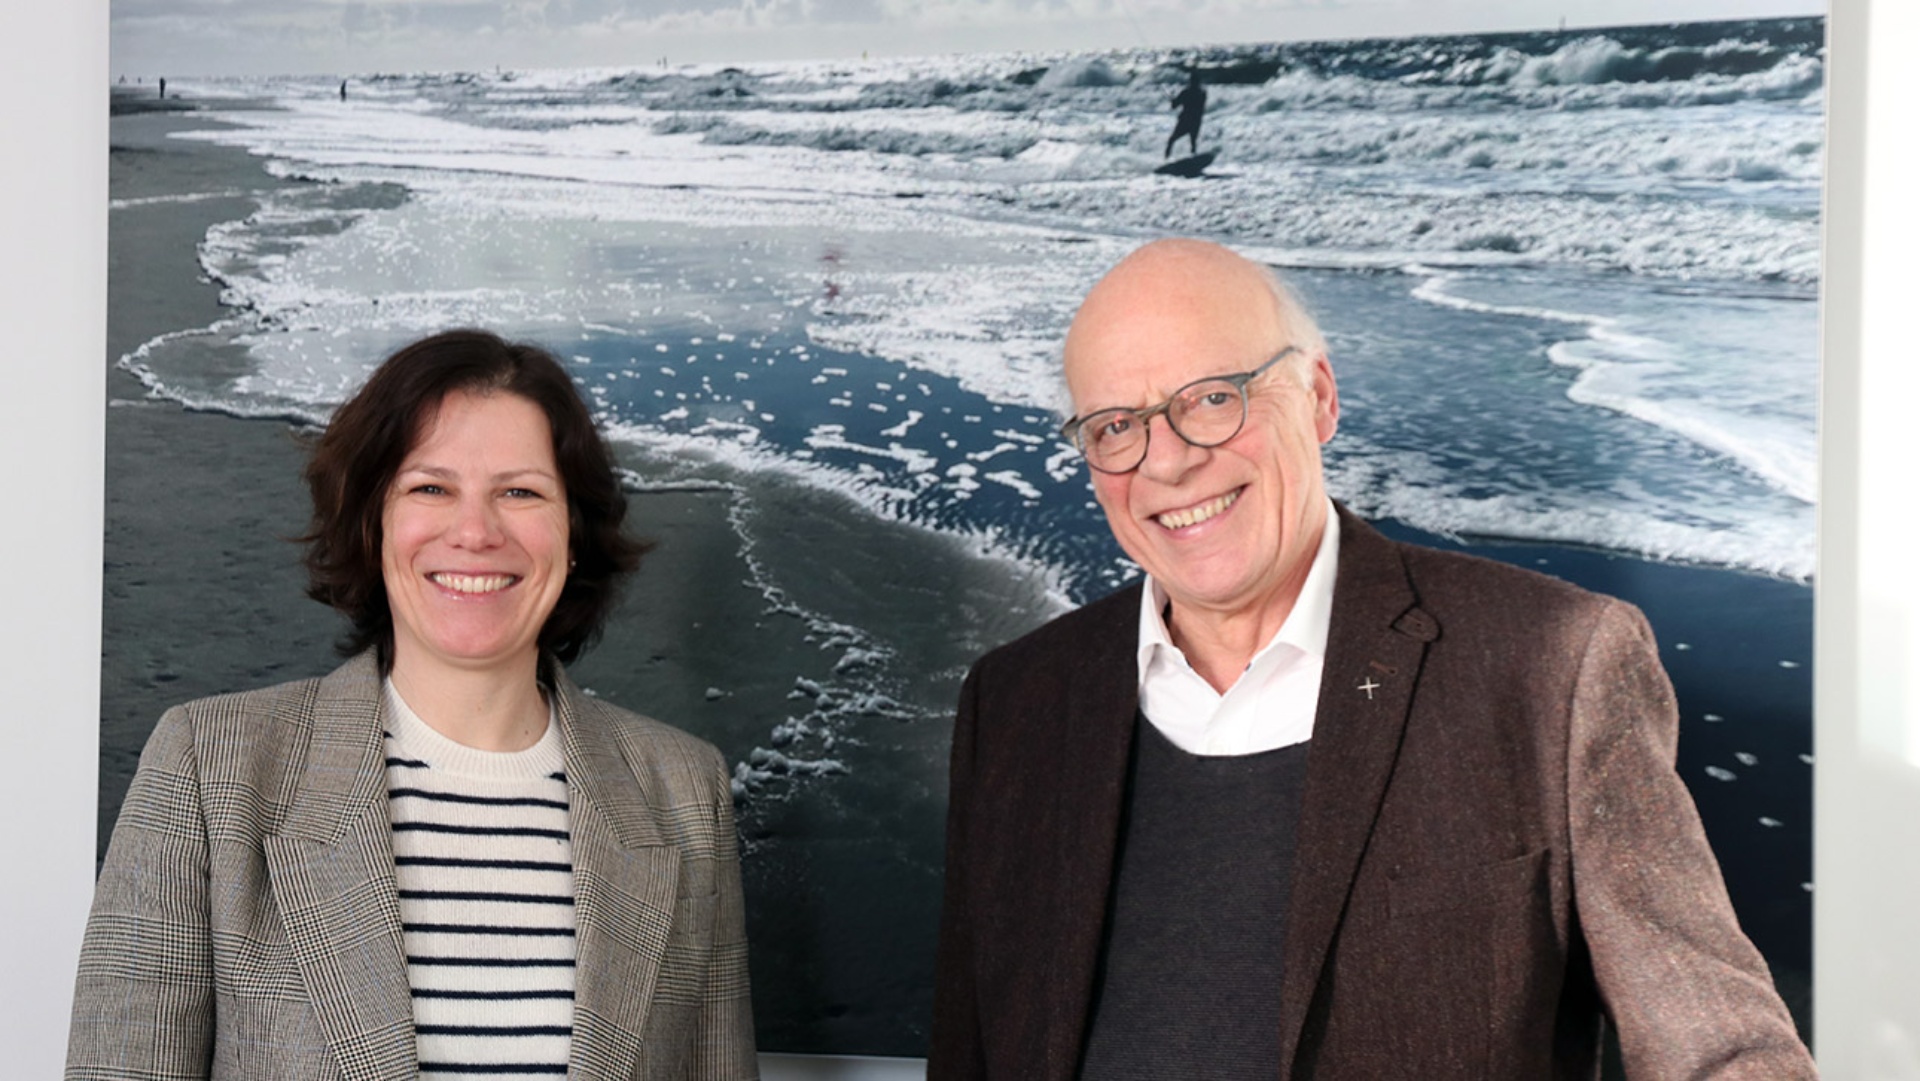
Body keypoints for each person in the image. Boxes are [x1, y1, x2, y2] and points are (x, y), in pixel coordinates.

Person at [927, 240, 1816, 1079]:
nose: (1165, 463)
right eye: (1117, 425)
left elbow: (1719, 1047)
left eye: (1210, 398)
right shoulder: (1017, 701)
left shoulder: (1554, 665)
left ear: (1318, 398)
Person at [67, 330, 758, 1080]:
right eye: (431, 486)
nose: (475, 531)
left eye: (520, 491)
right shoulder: (212, 768)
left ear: (575, 530)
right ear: (374, 520)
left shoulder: (684, 792)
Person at [1166, 70, 1206, 159]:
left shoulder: (1186, 92)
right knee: (1193, 141)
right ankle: (1193, 158)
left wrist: (1172, 100)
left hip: (1186, 120)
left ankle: (1166, 159)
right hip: (1196, 120)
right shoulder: (1202, 93)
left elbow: (1174, 106)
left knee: (1172, 140)